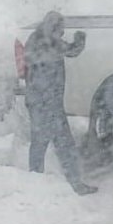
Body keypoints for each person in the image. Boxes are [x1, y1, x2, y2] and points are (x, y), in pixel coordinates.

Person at [23, 11, 98, 195]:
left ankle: (37, 183)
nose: (63, 33)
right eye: (61, 29)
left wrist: (79, 41)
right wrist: (79, 40)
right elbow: (66, 51)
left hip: (43, 103)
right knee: (61, 145)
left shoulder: (41, 40)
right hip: (45, 104)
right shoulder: (45, 43)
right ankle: (73, 183)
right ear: (53, 27)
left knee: (43, 144)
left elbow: (68, 50)